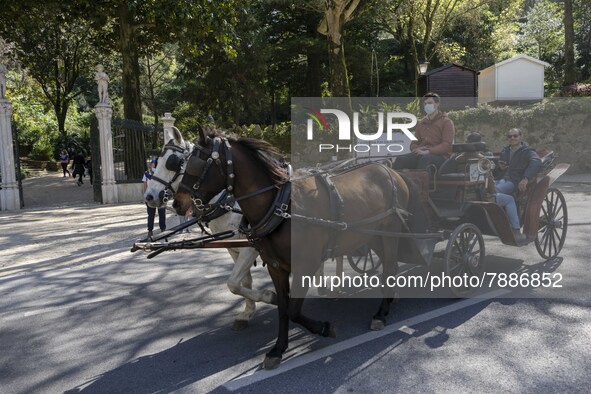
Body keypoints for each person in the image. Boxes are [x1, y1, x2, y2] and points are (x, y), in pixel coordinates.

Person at [392, 92, 455, 174]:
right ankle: (402, 186)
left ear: (437, 104)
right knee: (400, 159)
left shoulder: (446, 122)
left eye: (429, 103)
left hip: (441, 157)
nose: (427, 106)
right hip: (422, 153)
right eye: (425, 104)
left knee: (425, 160)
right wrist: (416, 149)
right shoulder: (422, 123)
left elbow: (446, 145)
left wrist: (428, 151)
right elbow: (414, 143)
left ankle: (421, 186)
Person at [494, 128, 541, 195]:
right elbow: (498, 166)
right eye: (510, 136)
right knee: (483, 188)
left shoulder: (527, 151)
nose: (512, 138)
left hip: (514, 181)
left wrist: (526, 178)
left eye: (515, 136)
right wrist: (499, 167)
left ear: (521, 136)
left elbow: (536, 162)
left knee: (494, 190)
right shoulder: (505, 151)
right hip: (501, 179)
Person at [143, 159, 166, 240]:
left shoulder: (160, 173)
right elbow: (145, 185)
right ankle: (150, 230)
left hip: (159, 196)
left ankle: (163, 229)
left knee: (162, 213)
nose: (152, 165)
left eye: (154, 164)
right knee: (151, 214)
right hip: (150, 196)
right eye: (152, 164)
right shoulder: (147, 174)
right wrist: (145, 195)